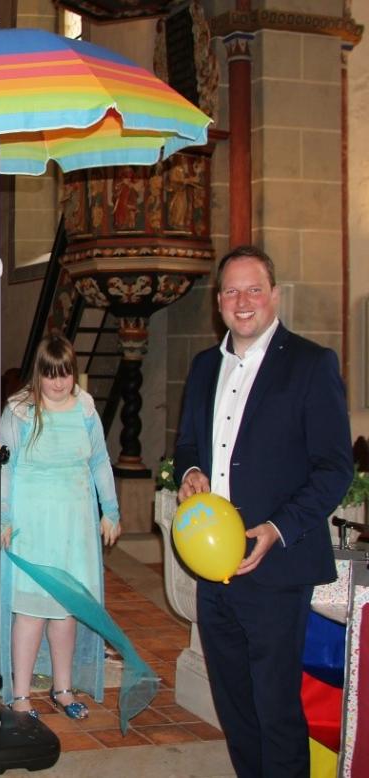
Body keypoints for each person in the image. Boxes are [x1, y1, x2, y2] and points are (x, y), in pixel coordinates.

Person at [174, 245, 353, 777]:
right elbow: (187, 446)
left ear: (274, 296)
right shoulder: (205, 366)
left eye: (254, 289)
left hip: (276, 565)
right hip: (214, 567)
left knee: (275, 709)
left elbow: (334, 467)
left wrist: (278, 529)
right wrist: (189, 474)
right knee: (235, 706)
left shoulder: (310, 364)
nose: (242, 300)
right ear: (218, 302)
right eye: (231, 290)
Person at [0, 333, 120, 720]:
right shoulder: (20, 412)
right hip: (33, 524)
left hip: (75, 526)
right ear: (38, 375)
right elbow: (4, 470)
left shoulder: (86, 408)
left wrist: (110, 510)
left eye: (66, 374)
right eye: (51, 375)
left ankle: (63, 687)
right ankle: (21, 694)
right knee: (31, 612)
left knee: (66, 610)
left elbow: (99, 462)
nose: (59, 383)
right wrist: (5, 518)